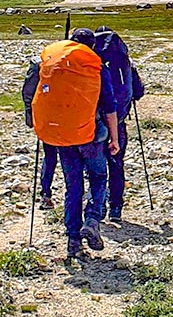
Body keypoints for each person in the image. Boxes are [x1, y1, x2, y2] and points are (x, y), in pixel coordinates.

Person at [25, 28, 119, 258]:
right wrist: (115, 138)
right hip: (91, 135)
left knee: (73, 185)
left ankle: (73, 239)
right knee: (98, 177)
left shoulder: (51, 63)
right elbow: (110, 106)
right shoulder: (96, 67)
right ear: (92, 47)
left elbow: (32, 91)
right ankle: (92, 220)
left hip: (62, 134)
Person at [93, 26, 145, 221]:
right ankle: (116, 207)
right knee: (116, 164)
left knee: (95, 167)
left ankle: (98, 205)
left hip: (95, 122)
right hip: (119, 122)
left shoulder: (92, 62)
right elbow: (139, 92)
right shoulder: (125, 63)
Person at [22, 58, 58, 208]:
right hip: (64, 118)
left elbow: (28, 92)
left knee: (50, 156)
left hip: (49, 118)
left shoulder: (41, 64)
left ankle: (46, 194)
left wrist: (30, 116)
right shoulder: (80, 62)